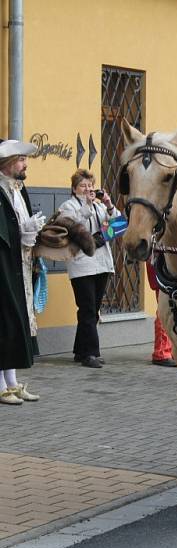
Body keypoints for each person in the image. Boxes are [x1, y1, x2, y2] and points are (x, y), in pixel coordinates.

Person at [59, 169, 121, 368]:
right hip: (82, 264)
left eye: (90, 185)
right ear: (74, 188)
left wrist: (109, 205)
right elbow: (74, 225)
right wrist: (87, 205)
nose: (88, 189)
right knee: (86, 308)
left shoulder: (98, 206)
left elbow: (118, 224)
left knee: (93, 310)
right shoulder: (67, 206)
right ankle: (91, 353)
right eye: (83, 185)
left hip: (101, 262)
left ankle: (80, 350)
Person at [0, 139, 44, 404]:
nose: (25, 164)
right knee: (5, 322)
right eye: (20, 160)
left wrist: (31, 231)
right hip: (5, 266)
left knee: (15, 323)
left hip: (20, 264)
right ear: (7, 164)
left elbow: (21, 221)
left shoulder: (18, 189)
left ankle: (12, 383)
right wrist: (21, 233)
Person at [146, 259, 177, 367]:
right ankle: (161, 352)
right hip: (163, 273)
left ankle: (170, 351)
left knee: (173, 313)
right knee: (165, 312)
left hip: (167, 272)